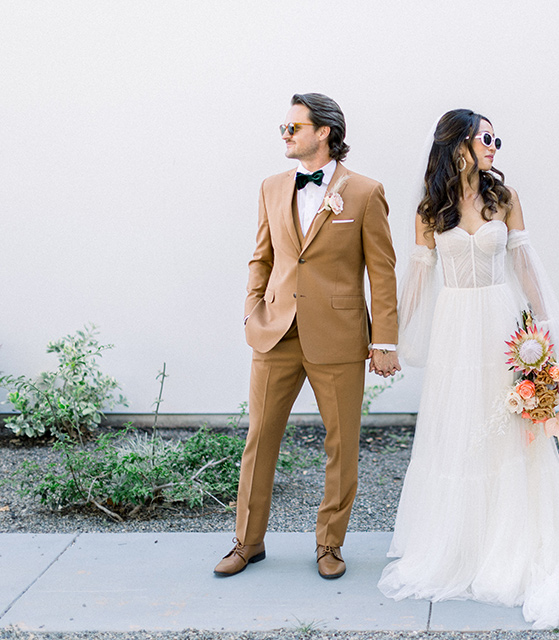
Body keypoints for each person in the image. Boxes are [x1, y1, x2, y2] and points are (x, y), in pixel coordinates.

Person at [378, 109, 559, 628]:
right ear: (458, 143)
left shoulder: (503, 200)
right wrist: (391, 340)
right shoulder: (429, 211)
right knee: (459, 432)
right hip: (453, 330)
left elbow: (526, 266)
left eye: (497, 139)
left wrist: (548, 334)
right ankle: (460, 547)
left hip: (498, 325)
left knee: (507, 433)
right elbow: (417, 282)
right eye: (486, 138)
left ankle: (510, 545)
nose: (494, 146)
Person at [215, 93, 400, 580]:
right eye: (284, 127)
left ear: (324, 132)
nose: (285, 134)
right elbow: (263, 257)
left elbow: (382, 272)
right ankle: (247, 542)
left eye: (294, 127)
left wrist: (385, 340)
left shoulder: (364, 191)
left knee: (342, 445)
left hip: (337, 336)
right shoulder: (272, 187)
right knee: (259, 439)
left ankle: (330, 545)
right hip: (275, 333)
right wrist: (252, 312)